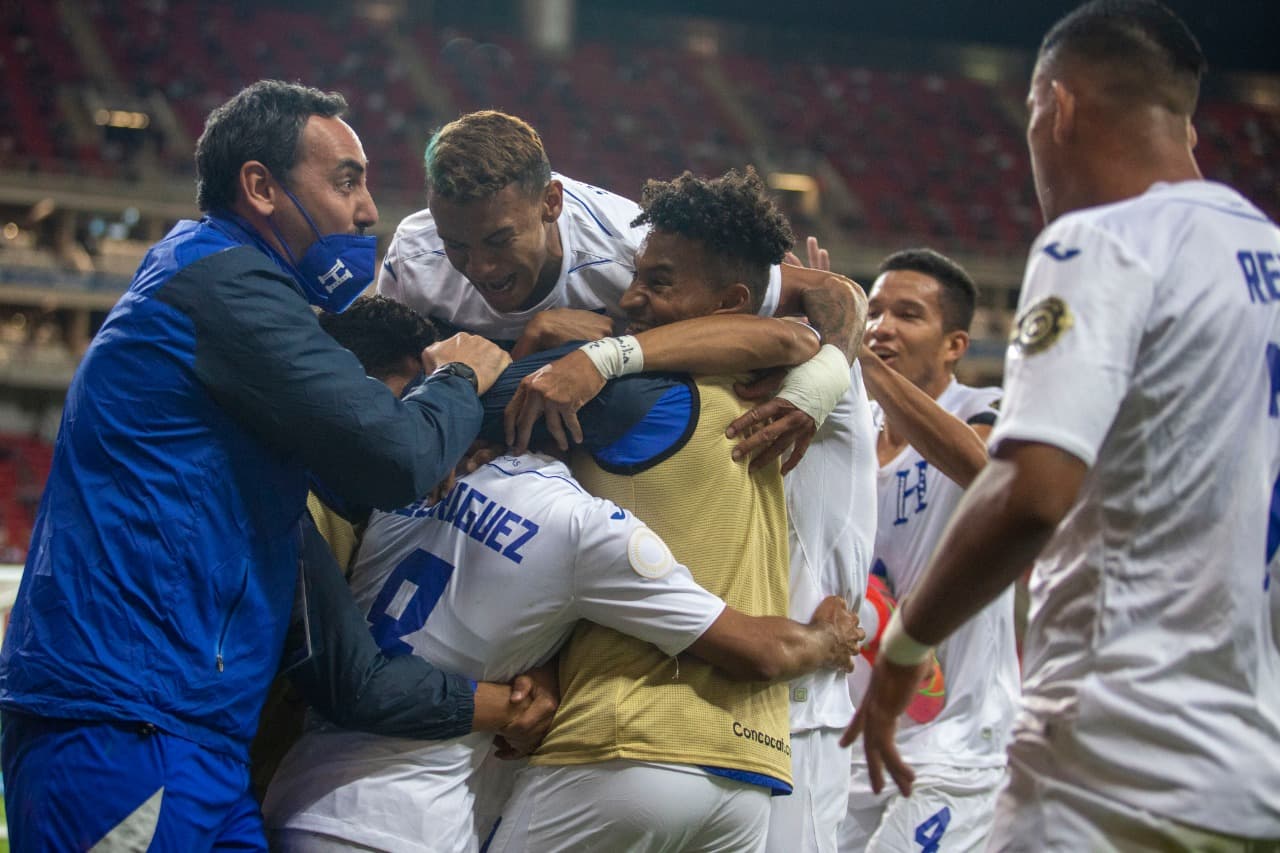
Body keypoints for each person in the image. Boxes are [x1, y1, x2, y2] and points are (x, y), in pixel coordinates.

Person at [0, 81, 524, 851]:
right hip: (122, 723)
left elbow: (358, 481)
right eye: (346, 180)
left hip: (193, 735)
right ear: (260, 187)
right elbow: (393, 456)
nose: (368, 210)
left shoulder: (232, 305)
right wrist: (457, 377)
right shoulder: (225, 282)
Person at [847, 1, 1280, 849]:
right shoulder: (1265, 257)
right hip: (1252, 766)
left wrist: (901, 651)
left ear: (1057, 106)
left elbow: (1030, 491)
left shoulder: (1101, 243)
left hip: (1115, 760)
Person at [261, 296, 864, 852]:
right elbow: (755, 649)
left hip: (299, 794)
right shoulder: (588, 529)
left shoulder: (399, 489)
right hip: (415, 822)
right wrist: (827, 640)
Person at [488, 169, 873, 852]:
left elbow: (822, 312)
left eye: (659, 283)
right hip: (754, 763)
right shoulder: (782, 377)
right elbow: (799, 330)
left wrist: (581, 352)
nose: (631, 297)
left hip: (637, 735)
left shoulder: (646, 399)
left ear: (732, 301)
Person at [380, 110, 860, 471]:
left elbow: (836, 293)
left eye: (500, 240)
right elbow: (386, 374)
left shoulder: (630, 245)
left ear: (551, 202)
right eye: (456, 245)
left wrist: (815, 390)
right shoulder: (415, 252)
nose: (480, 267)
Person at [839, 249, 1020, 852]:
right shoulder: (852, 427)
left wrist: (864, 363)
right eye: (873, 311)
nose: (882, 326)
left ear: (954, 345)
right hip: (849, 742)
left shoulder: (983, 409)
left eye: (908, 315)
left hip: (955, 744)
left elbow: (986, 471)